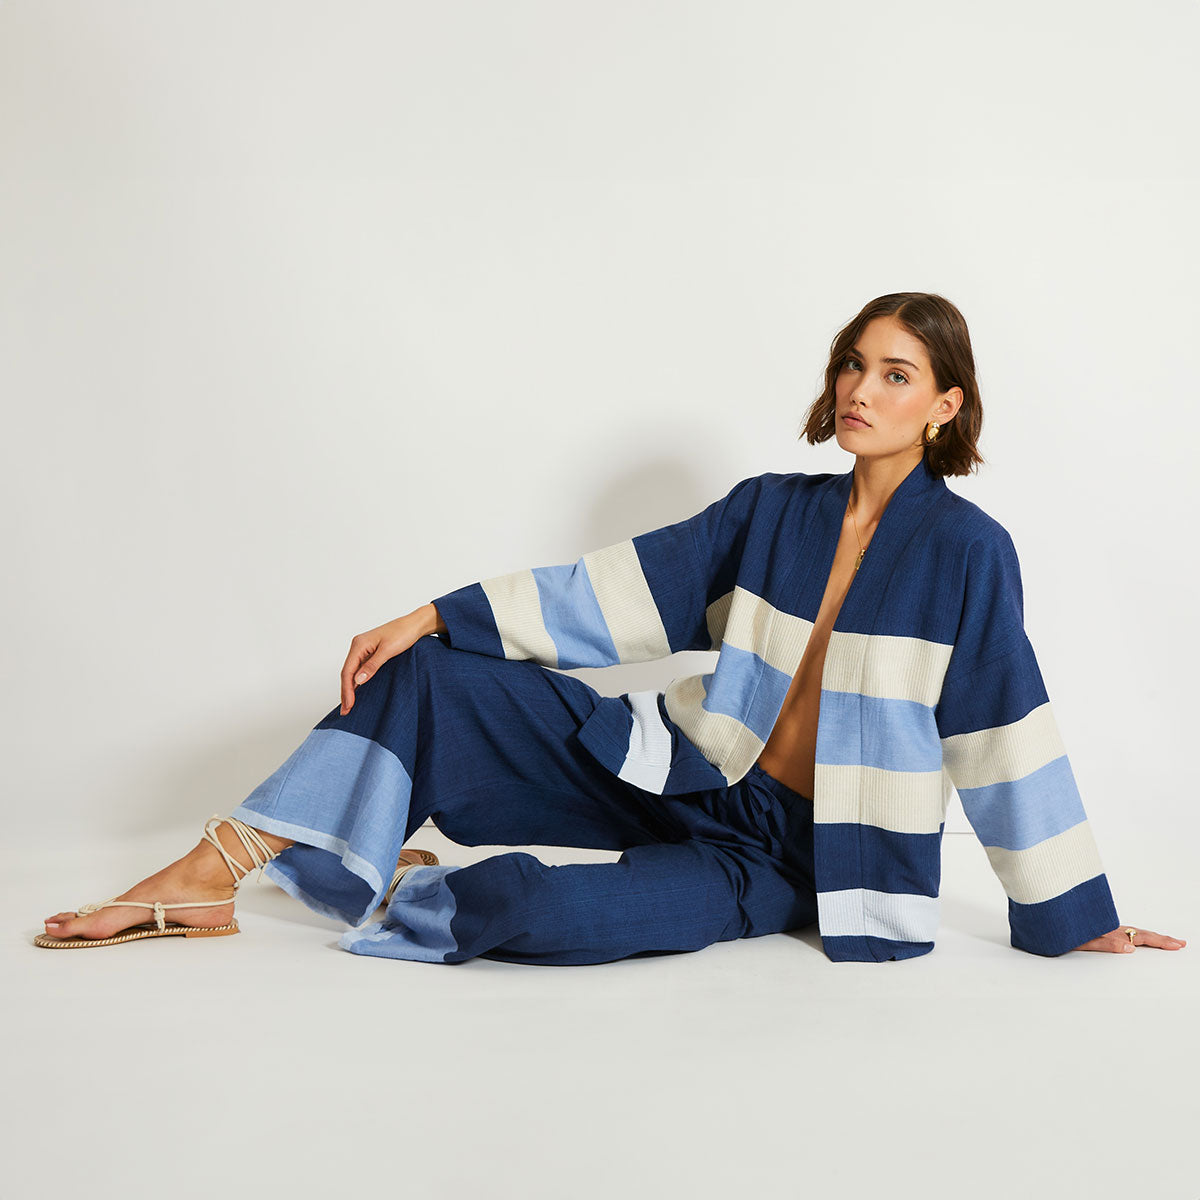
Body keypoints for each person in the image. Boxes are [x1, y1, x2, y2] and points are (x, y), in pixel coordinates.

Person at [36, 292, 1186, 963]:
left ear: (946, 408)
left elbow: (1002, 730)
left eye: (896, 374)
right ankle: (209, 872)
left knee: (526, 907)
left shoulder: (968, 553)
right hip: (683, 774)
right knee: (432, 676)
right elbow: (621, 593)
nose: (861, 389)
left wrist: (1073, 917)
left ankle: (383, 866)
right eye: (852, 363)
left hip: (793, 857)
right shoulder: (772, 510)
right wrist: (439, 611)